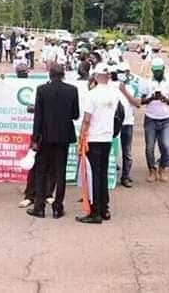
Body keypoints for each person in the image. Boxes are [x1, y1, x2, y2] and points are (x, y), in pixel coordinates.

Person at [27, 64, 80, 219]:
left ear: (49, 75)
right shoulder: (72, 90)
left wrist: (35, 138)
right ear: (63, 75)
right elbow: (75, 114)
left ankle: (39, 207)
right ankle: (58, 207)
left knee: (41, 172)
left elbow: (38, 117)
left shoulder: (42, 90)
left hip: (45, 136)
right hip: (63, 137)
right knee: (60, 172)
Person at [76, 63, 119, 224]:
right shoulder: (114, 94)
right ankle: (104, 208)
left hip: (93, 138)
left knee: (93, 174)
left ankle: (95, 212)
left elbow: (87, 120)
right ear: (108, 76)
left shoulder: (92, 94)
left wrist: (81, 138)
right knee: (102, 174)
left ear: (95, 76)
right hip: (107, 137)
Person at [140, 58, 169, 182]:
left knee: (167, 146)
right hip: (150, 118)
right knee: (149, 147)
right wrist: (151, 98)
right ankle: (152, 170)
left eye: (158, 71)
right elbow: (142, 100)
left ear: (163, 69)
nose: (156, 73)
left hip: (166, 119)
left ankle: (162, 168)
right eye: (154, 71)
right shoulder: (147, 82)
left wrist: (164, 99)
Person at [116, 62, 140, 188]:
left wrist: (124, 91)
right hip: (113, 124)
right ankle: (109, 174)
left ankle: (126, 176)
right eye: (119, 71)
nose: (121, 74)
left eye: (123, 71)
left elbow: (138, 103)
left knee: (127, 151)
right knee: (111, 150)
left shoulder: (134, 86)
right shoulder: (111, 86)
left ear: (128, 73)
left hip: (127, 123)